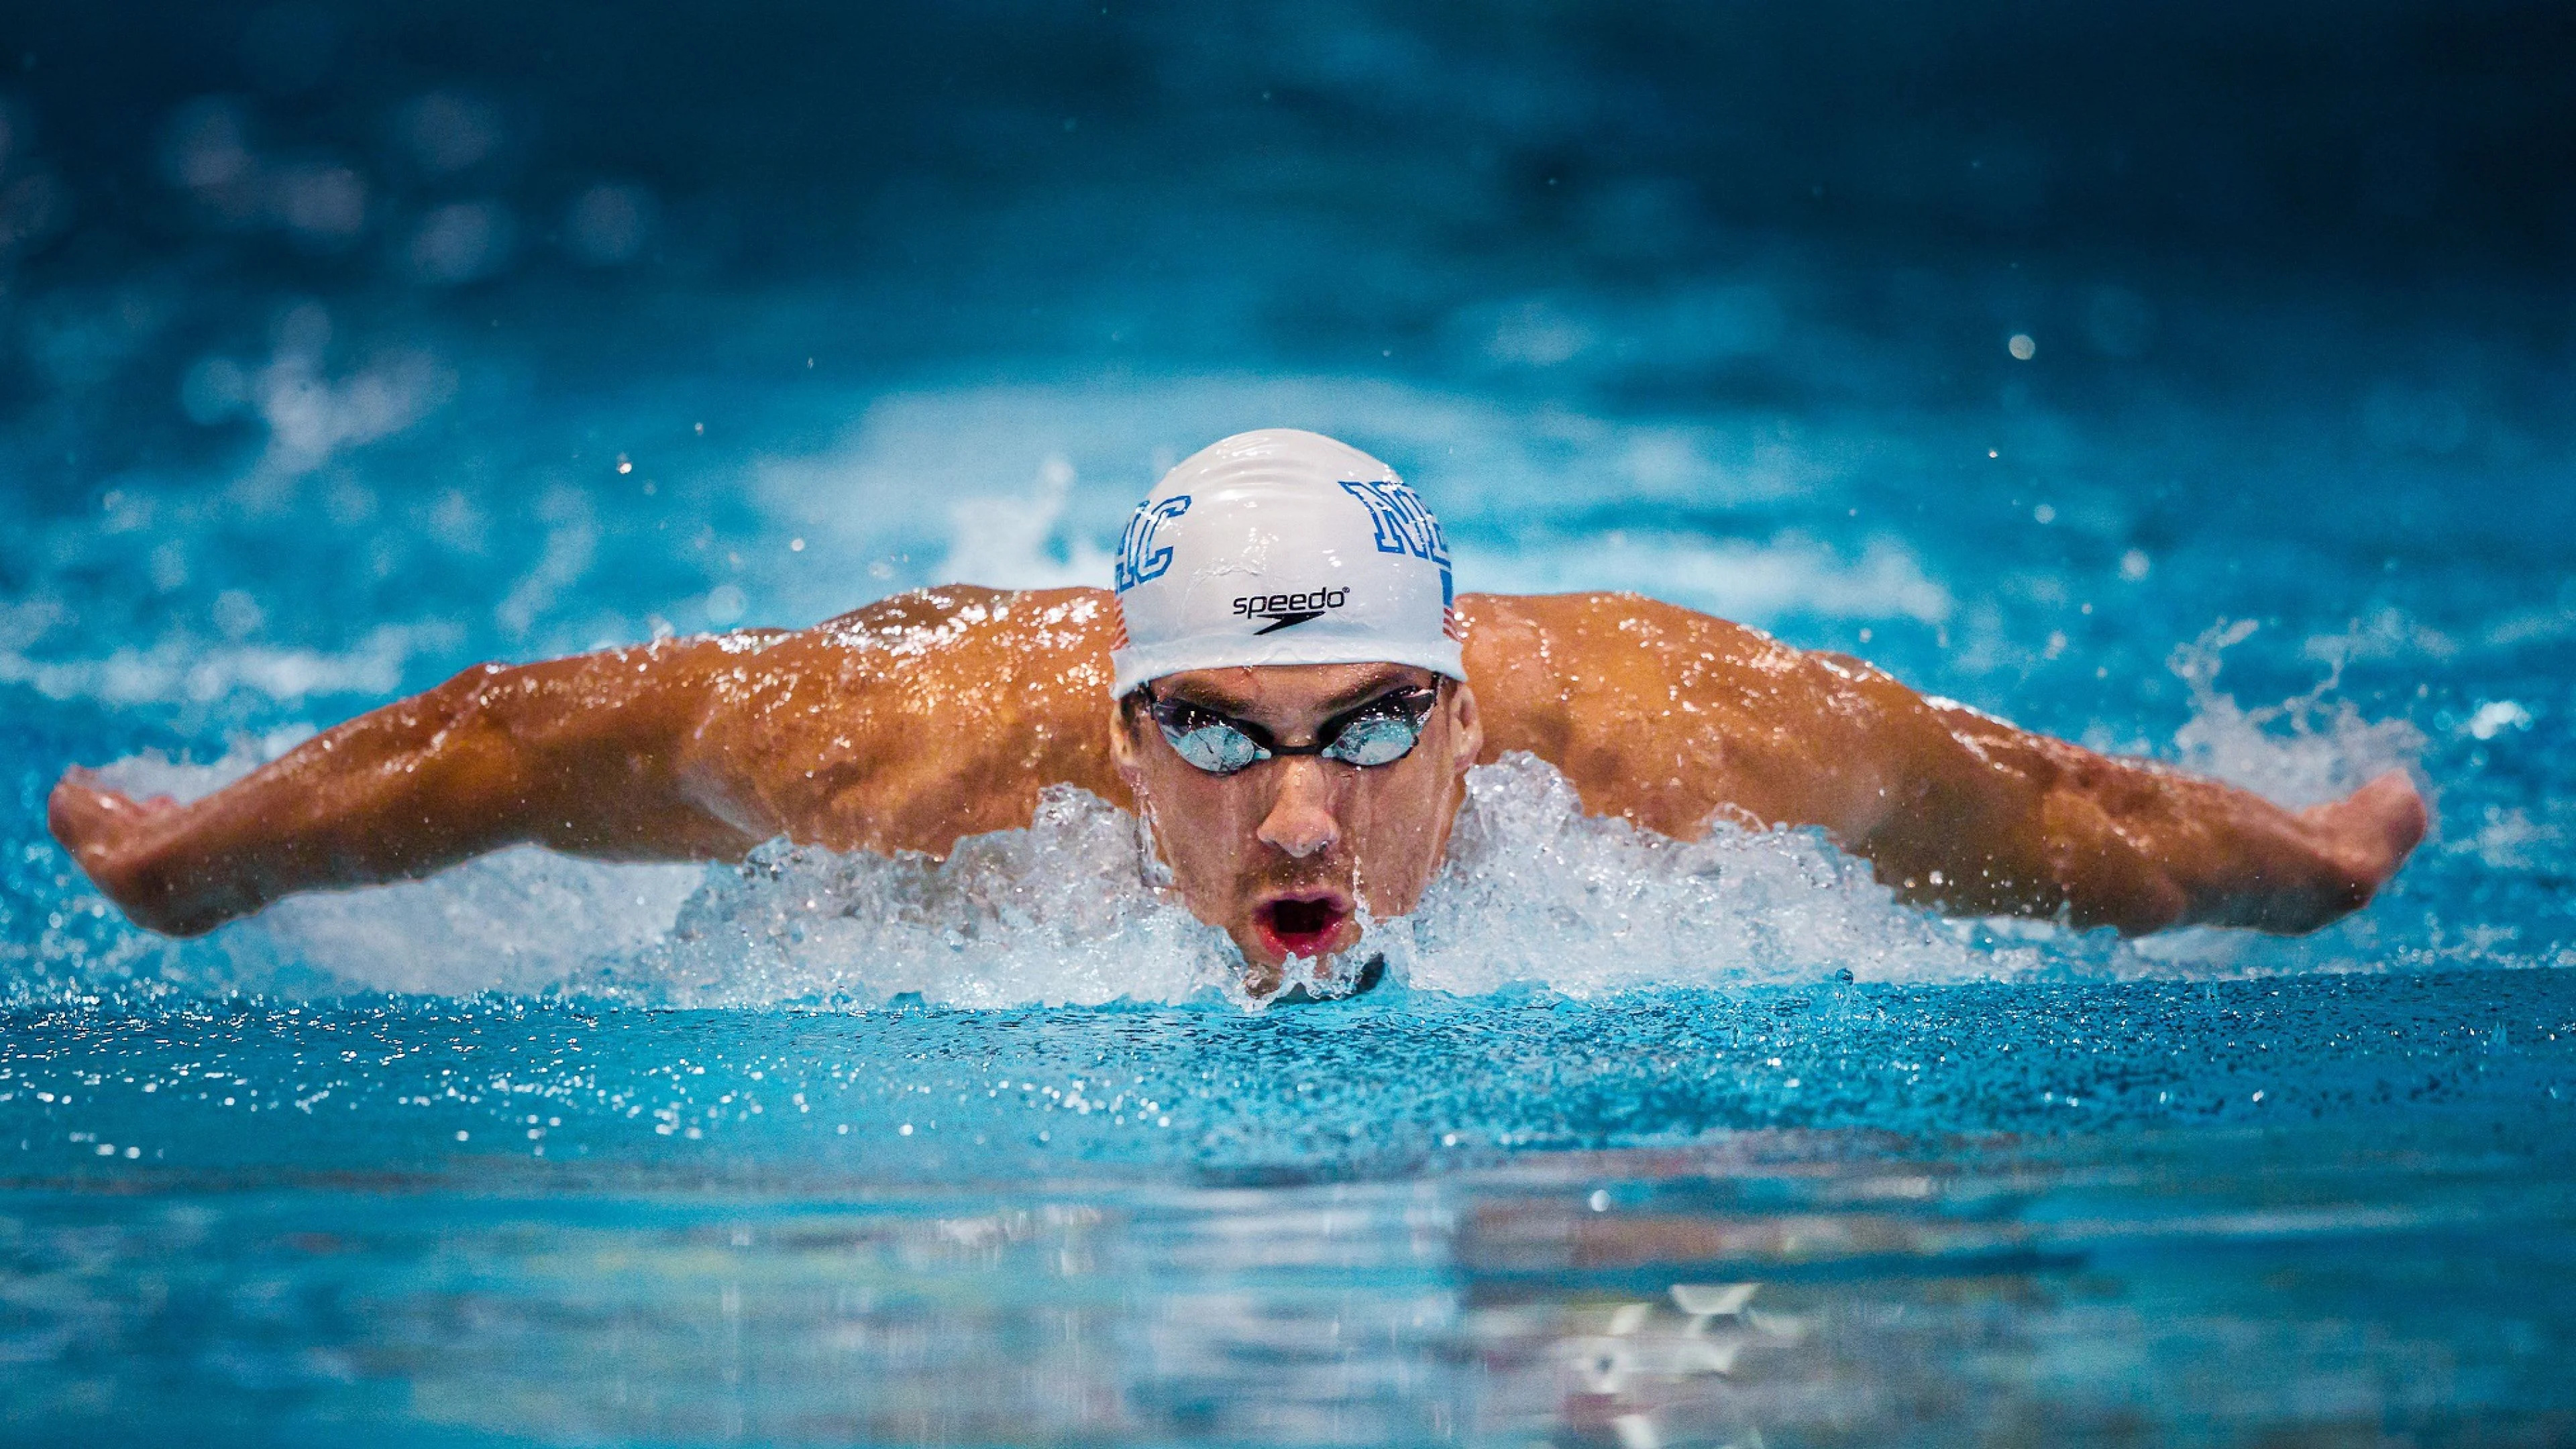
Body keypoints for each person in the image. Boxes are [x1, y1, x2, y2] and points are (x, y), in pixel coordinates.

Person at [48, 429, 2428, 998]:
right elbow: (503, 741)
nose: (1304, 809)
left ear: (1475, 726)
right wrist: (203, 864)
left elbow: (2029, 812)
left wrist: (2299, 869)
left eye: (1379, 726)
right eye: (1214, 734)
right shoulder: (901, 753)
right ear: (1113, 741)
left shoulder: (1678, 739)